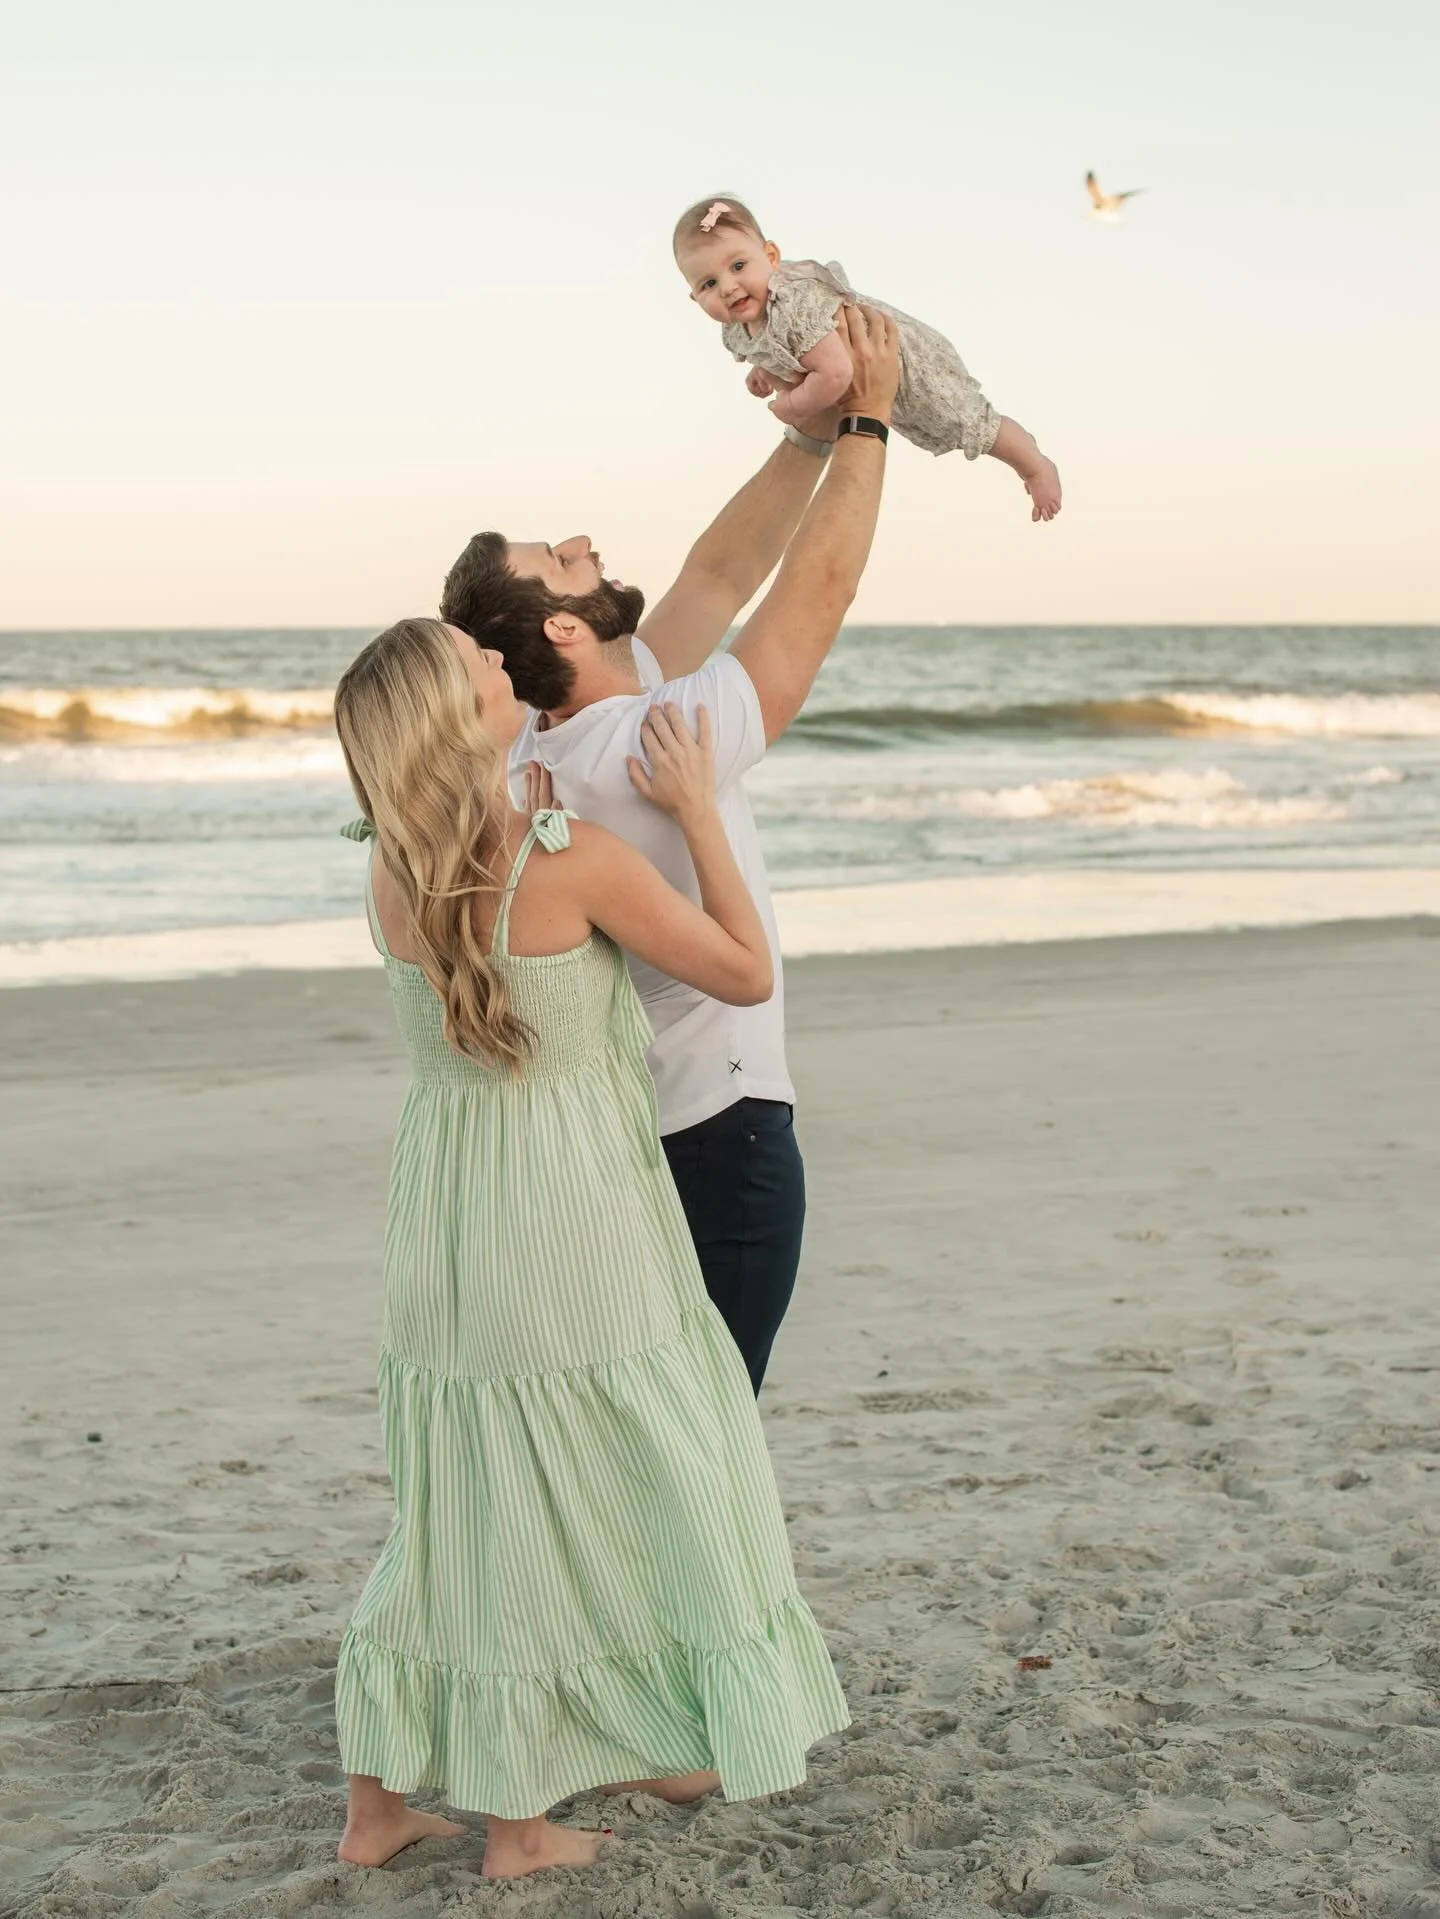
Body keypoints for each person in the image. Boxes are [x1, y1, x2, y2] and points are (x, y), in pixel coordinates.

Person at [330, 620, 849, 1880]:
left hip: (452, 1215)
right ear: (459, 718)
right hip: (572, 1210)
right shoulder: (572, 859)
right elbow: (739, 966)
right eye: (484, 669)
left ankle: (375, 1810)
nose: (509, 670)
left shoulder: (391, 867)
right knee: (613, 1474)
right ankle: (520, 1824)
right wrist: (698, 806)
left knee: (465, 1500)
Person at [438, 301, 900, 1394]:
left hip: (634, 1142)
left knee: (668, 1424)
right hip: (721, 1134)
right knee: (713, 1434)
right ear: (562, 628)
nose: (585, 544)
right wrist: (872, 425)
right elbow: (811, 598)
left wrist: (807, 434)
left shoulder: (548, 745)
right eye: (562, 559)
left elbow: (721, 574)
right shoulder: (655, 738)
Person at [674, 193, 1062, 523]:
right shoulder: (739, 325)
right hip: (873, 377)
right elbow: (779, 349)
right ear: (695, 297)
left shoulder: (794, 305)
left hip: (904, 360)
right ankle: (1022, 449)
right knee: (945, 429)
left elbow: (836, 373)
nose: (728, 287)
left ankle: (1034, 464)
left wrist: (793, 404)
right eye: (708, 283)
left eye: (739, 266)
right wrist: (763, 369)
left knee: (966, 420)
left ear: (771, 256)